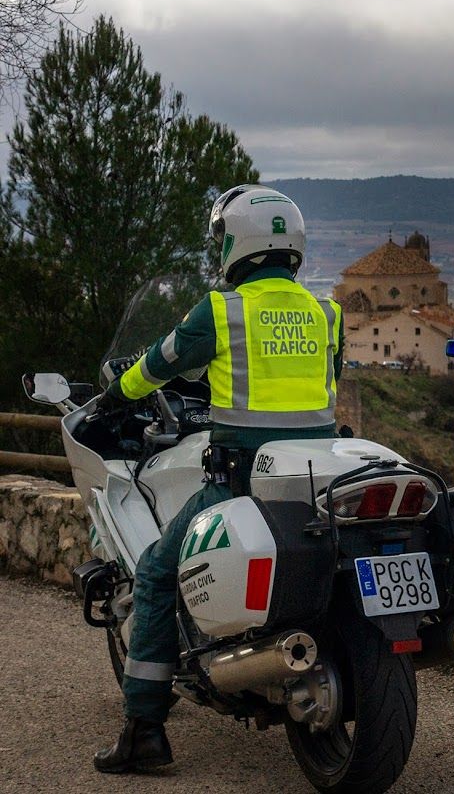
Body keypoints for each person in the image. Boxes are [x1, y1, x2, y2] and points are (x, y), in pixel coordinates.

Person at [94, 185, 344, 774]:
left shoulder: (222, 310)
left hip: (240, 482)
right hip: (317, 483)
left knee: (155, 573)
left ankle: (144, 731)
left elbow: (158, 363)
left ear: (237, 242)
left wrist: (113, 396)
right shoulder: (326, 313)